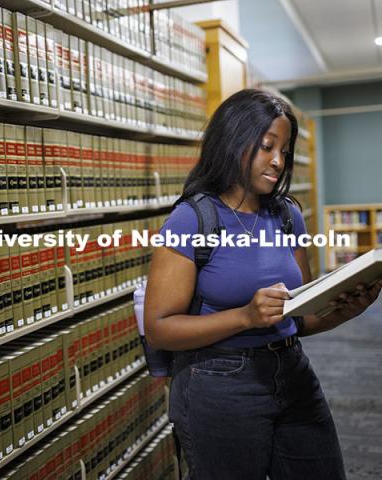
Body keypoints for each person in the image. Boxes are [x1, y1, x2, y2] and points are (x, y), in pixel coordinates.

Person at [143, 89, 382, 480]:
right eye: (267, 146)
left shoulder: (287, 215)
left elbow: (298, 318)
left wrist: (344, 310)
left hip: (291, 368)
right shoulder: (193, 220)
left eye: (285, 150)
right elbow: (159, 328)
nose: (278, 161)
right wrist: (244, 317)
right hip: (218, 382)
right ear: (233, 141)